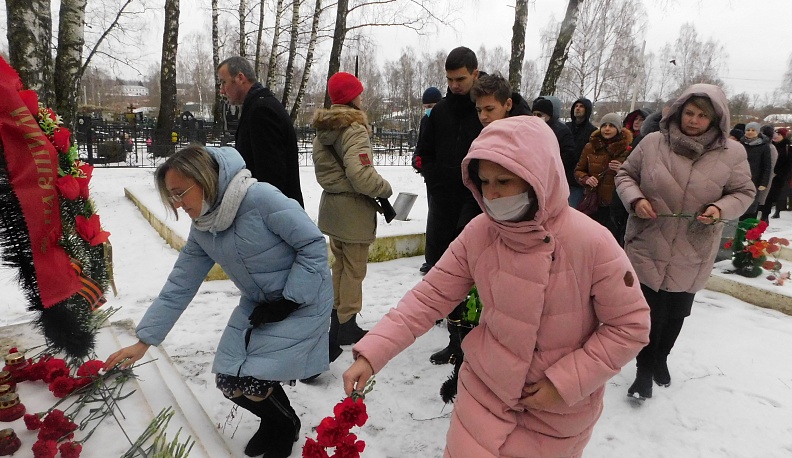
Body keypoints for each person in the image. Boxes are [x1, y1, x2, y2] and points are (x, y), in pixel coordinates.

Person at [343, 116, 650, 457]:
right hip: (483, 393)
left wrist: (565, 384)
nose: (491, 194)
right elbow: (430, 297)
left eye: (504, 181)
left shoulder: (591, 242)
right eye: (484, 181)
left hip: (555, 413)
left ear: (538, 178)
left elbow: (629, 326)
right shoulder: (480, 233)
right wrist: (372, 354)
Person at [104, 145, 332, 457]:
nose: (177, 203)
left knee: (252, 378)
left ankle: (284, 425)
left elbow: (313, 246)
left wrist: (289, 300)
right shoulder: (204, 227)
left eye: (179, 192)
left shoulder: (260, 198)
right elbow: (180, 284)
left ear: (203, 180)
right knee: (229, 380)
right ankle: (276, 420)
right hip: (259, 304)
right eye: (171, 196)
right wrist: (143, 341)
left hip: (303, 300)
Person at [615, 84, 756, 401]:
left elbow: (744, 192)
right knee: (648, 312)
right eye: (689, 112)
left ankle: (661, 357)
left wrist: (720, 209)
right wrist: (636, 199)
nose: (693, 120)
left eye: (701, 116)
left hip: (693, 245)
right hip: (648, 240)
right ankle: (644, 371)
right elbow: (625, 175)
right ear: (678, 112)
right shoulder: (652, 143)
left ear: (715, 119)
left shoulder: (732, 153)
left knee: (676, 312)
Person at [312, 72, 393, 356]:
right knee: (354, 269)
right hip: (353, 209)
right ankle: (347, 323)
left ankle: (336, 315)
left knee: (340, 265)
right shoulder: (354, 128)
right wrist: (384, 188)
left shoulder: (325, 129)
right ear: (352, 96)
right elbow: (361, 174)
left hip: (332, 207)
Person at [414, 46, 484, 366]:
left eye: (461, 79)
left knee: (475, 277)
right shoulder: (439, 112)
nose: (455, 85)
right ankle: (455, 342)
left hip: (477, 204)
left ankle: (476, 341)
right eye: (450, 79)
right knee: (446, 269)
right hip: (443, 203)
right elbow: (424, 153)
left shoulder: (485, 110)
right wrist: (435, 177)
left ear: (475, 74)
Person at [217, 56, 304, 207]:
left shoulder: (261, 111)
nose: (222, 90)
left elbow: (271, 178)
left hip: (275, 214)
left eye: (224, 82)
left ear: (240, 78)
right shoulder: (259, 105)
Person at [574, 113, 633, 238]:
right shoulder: (590, 147)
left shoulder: (627, 150)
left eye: (611, 126)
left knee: (609, 240)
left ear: (618, 128)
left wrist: (621, 170)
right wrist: (586, 179)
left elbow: (634, 177)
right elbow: (579, 170)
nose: (607, 128)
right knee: (587, 237)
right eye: (604, 125)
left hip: (614, 206)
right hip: (593, 202)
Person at [413, 86, 443, 274]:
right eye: (425, 106)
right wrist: (417, 159)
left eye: (431, 105)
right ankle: (431, 258)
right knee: (433, 217)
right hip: (431, 177)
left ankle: (441, 259)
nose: (428, 109)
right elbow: (421, 145)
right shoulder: (426, 121)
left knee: (441, 219)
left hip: (444, 177)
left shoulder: (446, 120)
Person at [533, 96, 576, 196]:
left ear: (549, 116)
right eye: (534, 114)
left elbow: (569, 155)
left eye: (539, 115)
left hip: (553, 176)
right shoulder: (530, 128)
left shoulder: (561, 131)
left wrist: (550, 164)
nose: (535, 117)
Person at [565, 98, 597, 207]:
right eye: (576, 106)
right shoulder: (566, 127)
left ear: (587, 110)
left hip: (577, 180)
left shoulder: (592, 132)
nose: (577, 108)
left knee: (571, 210)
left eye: (581, 106)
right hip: (562, 175)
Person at [739, 122, 772, 220]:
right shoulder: (741, 144)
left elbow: (767, 166)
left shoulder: (764, 146)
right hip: (740, 178)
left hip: (755, 180)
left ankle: (747, 228)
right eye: (748, 130)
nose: (750, 132)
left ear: (758, 132)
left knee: (751, 205)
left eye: (753, 130)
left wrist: (764, 182)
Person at [765, 128, 792, 218]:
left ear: (783, 136)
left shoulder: (787, 147)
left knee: (779, 194)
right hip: (770, 173)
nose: (776, 137)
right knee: (768, 194)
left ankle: (778, 210)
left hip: (781, 175)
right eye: (775, 135)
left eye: (779, 135)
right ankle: (766, 212)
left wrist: (781, 174)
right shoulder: (770, 145)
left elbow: (789, 163)